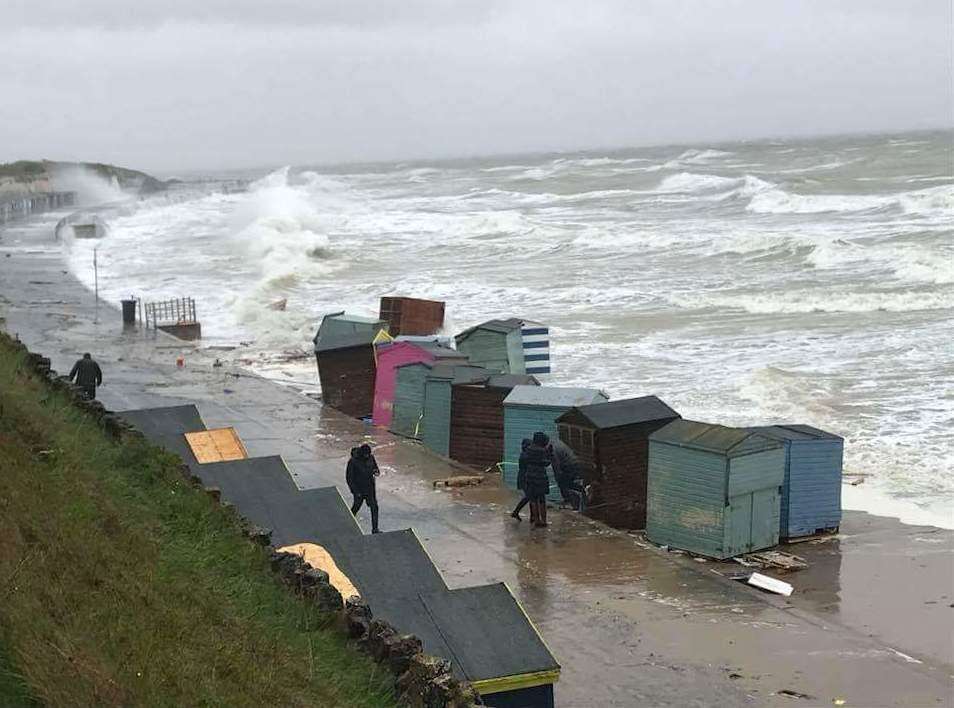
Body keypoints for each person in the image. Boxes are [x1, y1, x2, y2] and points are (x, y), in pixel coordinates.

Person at [346, 444, 381, 533]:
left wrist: (376, 471)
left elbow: (376, 468)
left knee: (374, 508)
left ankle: (375, 529)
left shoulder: (371, 458)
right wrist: (354, 491)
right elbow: (349, 478)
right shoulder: (353, 462)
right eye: (366, 454)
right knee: (356, 507)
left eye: (368, 454)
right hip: (359, 490)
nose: (367, 456)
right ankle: (347, 524)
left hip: (370, 489)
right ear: (361, 453)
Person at [521, 432, 553, 528]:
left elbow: (525, 460)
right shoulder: (542, 451)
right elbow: (546, 463)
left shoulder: (528, 449)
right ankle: (544, 521)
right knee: (542, 499)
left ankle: (536, 520)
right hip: (540, 477)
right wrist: (550, 455)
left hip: (530, 476)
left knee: (533, 499)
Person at [550, 438, 586, 511]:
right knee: (568, 483)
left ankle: (570, 501)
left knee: (564, 483)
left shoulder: (553, 450)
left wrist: (558, 477)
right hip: (573, 463)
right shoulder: (555, 443)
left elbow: (556, 466)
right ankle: (574, 498)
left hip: (569, 466)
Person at [510, 439, 534, 522]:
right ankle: (516, 512)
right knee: (529, 496)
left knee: (530, 497)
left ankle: (531, 516)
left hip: (524, 477)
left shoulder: (525, 454)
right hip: (524, 478)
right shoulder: (525, 456)